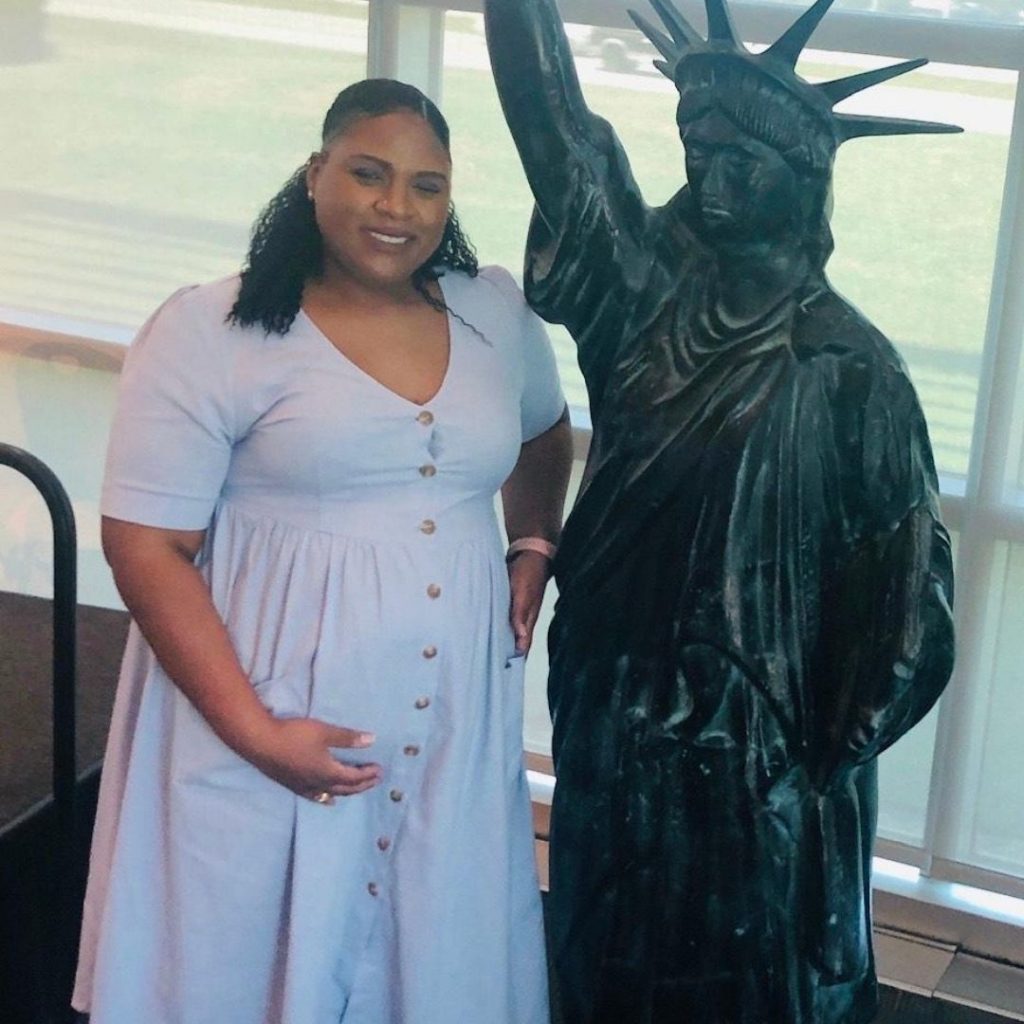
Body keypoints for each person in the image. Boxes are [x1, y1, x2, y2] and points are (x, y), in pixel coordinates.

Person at [483, 1, 956, 1022]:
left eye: (745, 156)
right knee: (606, 945)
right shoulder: (637, 287)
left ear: (803, 177)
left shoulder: (850, 365)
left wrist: (814, 743)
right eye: (700, 147)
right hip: (618, 703)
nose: (715, 174)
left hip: (759, 741)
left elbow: (908, 590)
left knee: (752, 968)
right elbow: (551, 119)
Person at [72, 78, 572, 1024]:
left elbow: (544, 432)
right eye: (368, 174)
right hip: (266, 707)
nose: (396, 207)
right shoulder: (214, 332)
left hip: (448, 730)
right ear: (314, 175)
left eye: (427, 185)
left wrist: (532, 541)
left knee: (426, 947)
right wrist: (256, 733)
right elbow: (144, 545)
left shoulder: (493, 316)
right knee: (241, 952)